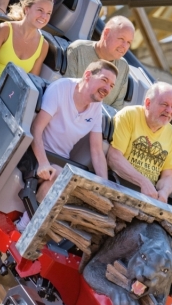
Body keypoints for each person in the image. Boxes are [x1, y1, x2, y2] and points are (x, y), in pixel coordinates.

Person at [30, 60, 117, 201]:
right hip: (36, 155)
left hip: (60, 162)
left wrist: (104, 186)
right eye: (104, 80)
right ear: (88, 75)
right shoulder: (61, 88)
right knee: (60, 175)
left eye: (111, 86)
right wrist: (43, 163)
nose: (107, 89)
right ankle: (25, 223)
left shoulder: (97, 107)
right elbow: (36, 128)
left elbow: (97, 151)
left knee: (78, 184)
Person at [108, 82, 172, 204]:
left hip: (149, 197)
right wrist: (143, 182)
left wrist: (164, 192)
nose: (169, 111)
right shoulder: (129, 115)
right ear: (148, 103)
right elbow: (114, 158)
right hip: (119, 188)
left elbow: (167, 176)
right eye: (164, 104)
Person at [0, 0, 53, 85]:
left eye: (48, 13)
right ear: (27, 9)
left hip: (12, 96)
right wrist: (2, 90)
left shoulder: (44, 46)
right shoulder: (5, 29)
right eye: (40, 10)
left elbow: (31, 81)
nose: (44, 16)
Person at [65, 16, 134, 110]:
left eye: (129, 42)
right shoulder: (77, 50)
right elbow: (66, 91)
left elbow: (116, 108)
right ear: (106, 33)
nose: (124, 46)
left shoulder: (123, 66)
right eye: (121, 39)